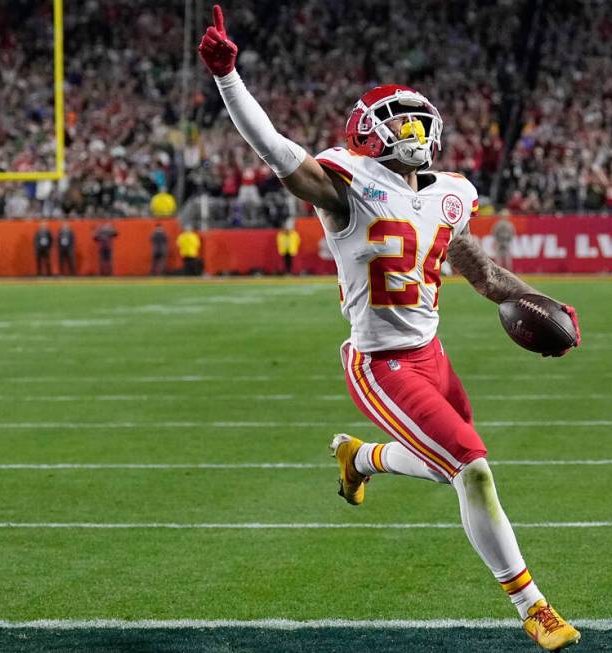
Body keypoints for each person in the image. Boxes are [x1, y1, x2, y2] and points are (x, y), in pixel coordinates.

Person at [199, 7, 581, 650]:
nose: (411, 128)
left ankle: (362, 457)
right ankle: (534, 607)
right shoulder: (347, 185)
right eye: (397, 118)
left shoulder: (448, 194)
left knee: (446, 470)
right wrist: (229, 78)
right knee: (473, 470)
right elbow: (276, 153)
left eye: (417, 118)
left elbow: (483, 276)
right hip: (381, 364)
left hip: (433, 355)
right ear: (367, 133)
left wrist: (542, 300)